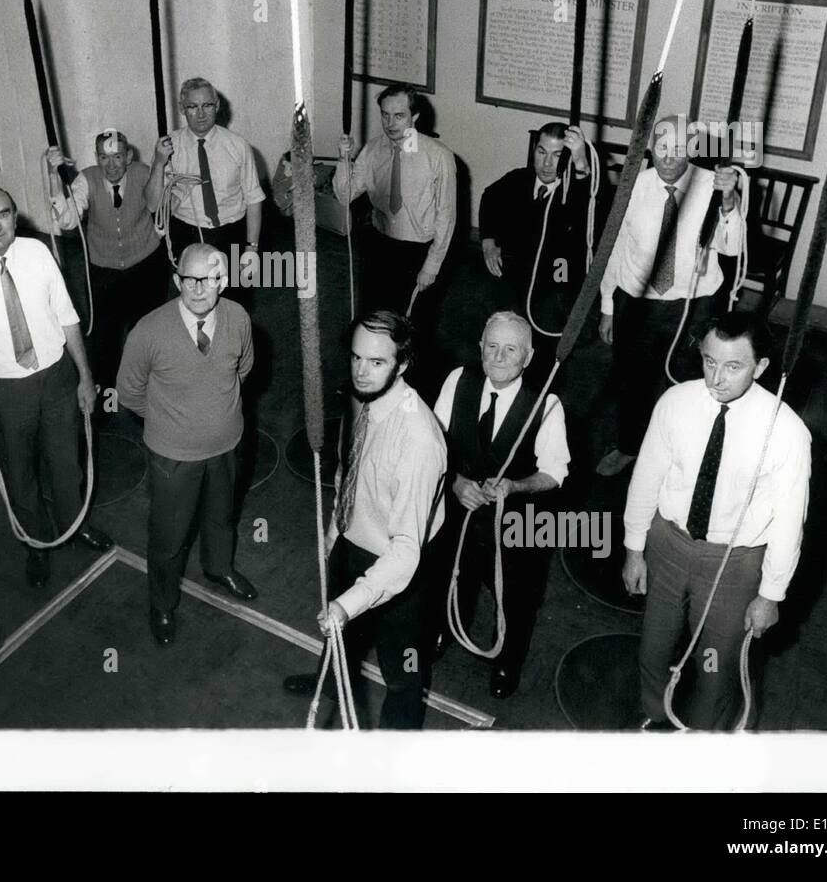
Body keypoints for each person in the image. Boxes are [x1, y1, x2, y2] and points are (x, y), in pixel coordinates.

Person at [623, 312, 810, 730]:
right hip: (668, 545)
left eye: (733, 366)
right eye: (709, 361)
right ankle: (655, 717)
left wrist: (771, 595)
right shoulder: (675, 403)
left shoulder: (787, 432)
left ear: (760, 367)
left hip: (735, 564)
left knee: (715, 667)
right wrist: (634, 548)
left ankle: (702, 743)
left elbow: (788, 523)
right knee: (652, 650)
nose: (716, 378)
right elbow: (646, 477)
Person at [0, 186, 112, 591]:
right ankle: (35, 541)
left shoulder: (38, 253)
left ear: (16, 216)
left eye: (4, 214)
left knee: (66, 462)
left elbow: (67, 316)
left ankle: (73, 527)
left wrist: (85, 377)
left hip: (55, 377)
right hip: (3, 389)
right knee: (19, 472)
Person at [282, 310, 447, 729]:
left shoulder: (419, 440)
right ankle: (331, 681)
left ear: (403, 365)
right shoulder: (362, 399)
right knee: (340, 643)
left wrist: (347, 604)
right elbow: (348, 470)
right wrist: (333, 533)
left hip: (399, 566)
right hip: (353, 541)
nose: (361, 372)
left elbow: (406, 550)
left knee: (403, 675)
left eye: (377, 363)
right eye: (357, 358)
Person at [116, 242, 258, 645]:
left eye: (209, 279)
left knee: (221, 517)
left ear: (223, 282)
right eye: (190, 279)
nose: (198, 289)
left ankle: (219, 567)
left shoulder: (239, 319)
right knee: (169, 536)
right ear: (177, 280)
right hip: (172, 456)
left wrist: (213, 415)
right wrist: (173, 422)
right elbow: (128, 392)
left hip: (228, 445)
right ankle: (162, 603)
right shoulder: (149, 331)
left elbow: (242, 370)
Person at [431, 311, 570, 698]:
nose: (499, 356)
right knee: (451, 574)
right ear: (480, 348)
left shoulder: (547, 406)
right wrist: (456, 481)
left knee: (516, 596)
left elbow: (555, 473)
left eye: (511, 349)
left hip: (516, 524)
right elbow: (434, 443)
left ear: (528, 357)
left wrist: (515, 485)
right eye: (491, 347)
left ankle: (507, 659)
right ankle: (445, 629)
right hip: (458, 511)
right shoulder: (458, 380)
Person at [597, 116, 744, 477]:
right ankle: (629, 446)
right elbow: (614, 248)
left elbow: (733, 245)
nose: (667, 157)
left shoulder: (714, 185)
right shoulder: (633, 186)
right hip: (637, 299)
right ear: (650, 146)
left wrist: (728, 203)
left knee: (689, 380)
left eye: (678, 149)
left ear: (693, 149)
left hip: (695, 303)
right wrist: (607, 306)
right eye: (661, 147)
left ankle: (683, 454)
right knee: (632, 379)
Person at [45, 130, 165, 393]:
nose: (111, 165)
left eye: (117, 157)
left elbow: (157, 205)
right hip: (103, 270)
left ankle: (148, 389)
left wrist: (160, 163)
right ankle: (107, 399)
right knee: (105, 339)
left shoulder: (144, 173)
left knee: (147, 332)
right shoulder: (86, 179)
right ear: (96, 158)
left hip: (145, 265)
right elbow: (66, 220)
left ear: (129, 156)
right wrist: (54, 175)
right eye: (104, 157)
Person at [478, 122, 604, 371]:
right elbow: (490, 199)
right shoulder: (518, 180)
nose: (547, 164)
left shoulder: (575, 192)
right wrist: (488, 241)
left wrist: (580, 162)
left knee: (542, 352)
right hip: (513, 283)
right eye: (542, 152)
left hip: (555, 285)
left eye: (558, 155)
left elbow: (592, 202)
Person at [334, 85, 456, 322]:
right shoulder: (372, 150)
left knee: (411, 323)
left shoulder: (438, 156)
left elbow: (446, 215)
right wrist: (343, 158)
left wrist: (432, 264)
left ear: (415, 117)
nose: (390, 123)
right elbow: (345, 195)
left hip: (418, 249)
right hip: (379, 243)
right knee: (374, 314)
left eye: (399, 116)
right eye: (385, 115)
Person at [144, 78, 265, 276]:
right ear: (182, 109)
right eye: (192, 106)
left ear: (217, 106)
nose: (200, 114)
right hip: (187, 233)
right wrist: (158, 163)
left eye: (207, 105)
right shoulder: (168, 147)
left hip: (231, 232)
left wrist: (251, 248)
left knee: (234, 298)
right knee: (195, 298)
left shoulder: (238, 146)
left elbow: (253, 199)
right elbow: (151, 205)